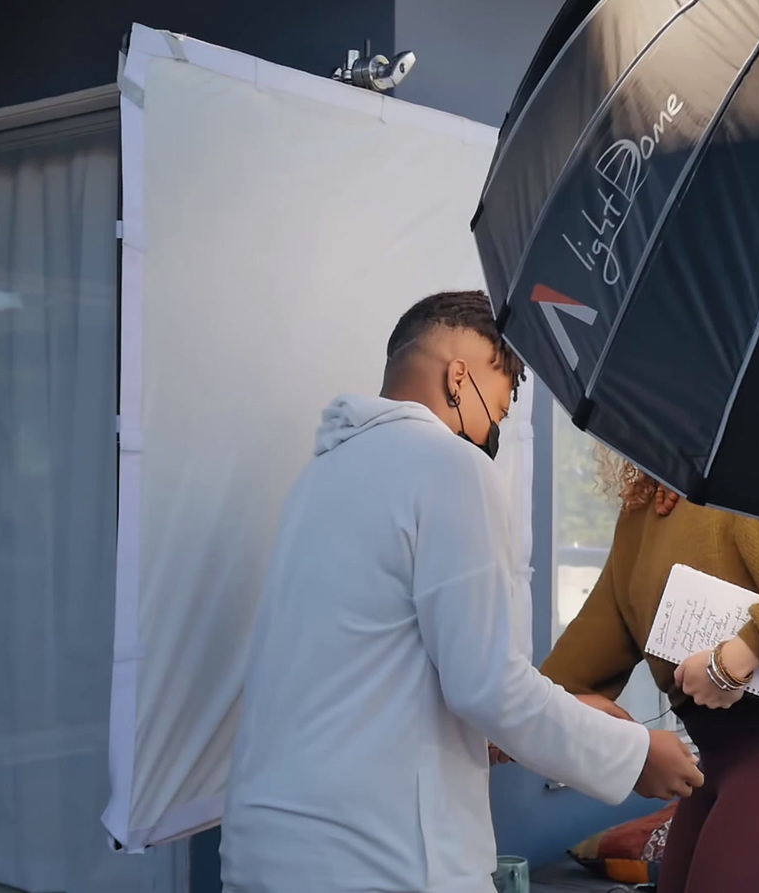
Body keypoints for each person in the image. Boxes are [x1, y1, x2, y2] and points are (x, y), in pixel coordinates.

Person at [220, 291, 703, 893]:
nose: (492, 440)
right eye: (495, 416)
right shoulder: (448, 467)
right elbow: (488, 687)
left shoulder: (319, 480)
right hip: (379, 862)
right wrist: (634, 754)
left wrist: (559, 718)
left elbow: (383, 674)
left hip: (267, 852)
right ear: (458, 379)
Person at [540, 458, 759, 893]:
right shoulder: (645, 510)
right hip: (717, 763)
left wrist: (735, 660)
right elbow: (585, 656)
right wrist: (523, 713)